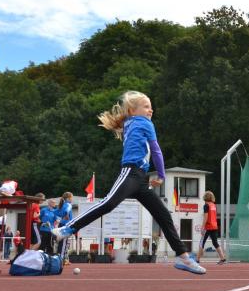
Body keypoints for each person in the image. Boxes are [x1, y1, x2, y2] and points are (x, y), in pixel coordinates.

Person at [52, 90, 206, 274]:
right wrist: (161, 175)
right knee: (109, 203)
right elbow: (156, 150)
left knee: (163, 215)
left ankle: (183, 257)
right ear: (133, 110)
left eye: (151, 107)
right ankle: (68, 228)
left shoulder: (129, 123)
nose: (151, 110)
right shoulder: (144, 123)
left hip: (140, 179)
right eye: (146, 107)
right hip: (131, 173)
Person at [196, 191, 226, 264]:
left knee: (202, 242)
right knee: (215, 242)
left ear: (205, 197)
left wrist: (202, 227)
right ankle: (222, 258)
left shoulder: (206, 205)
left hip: (208, 227)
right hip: (214, 226)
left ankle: (197, 259)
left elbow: (206, 217)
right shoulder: (214, 205)